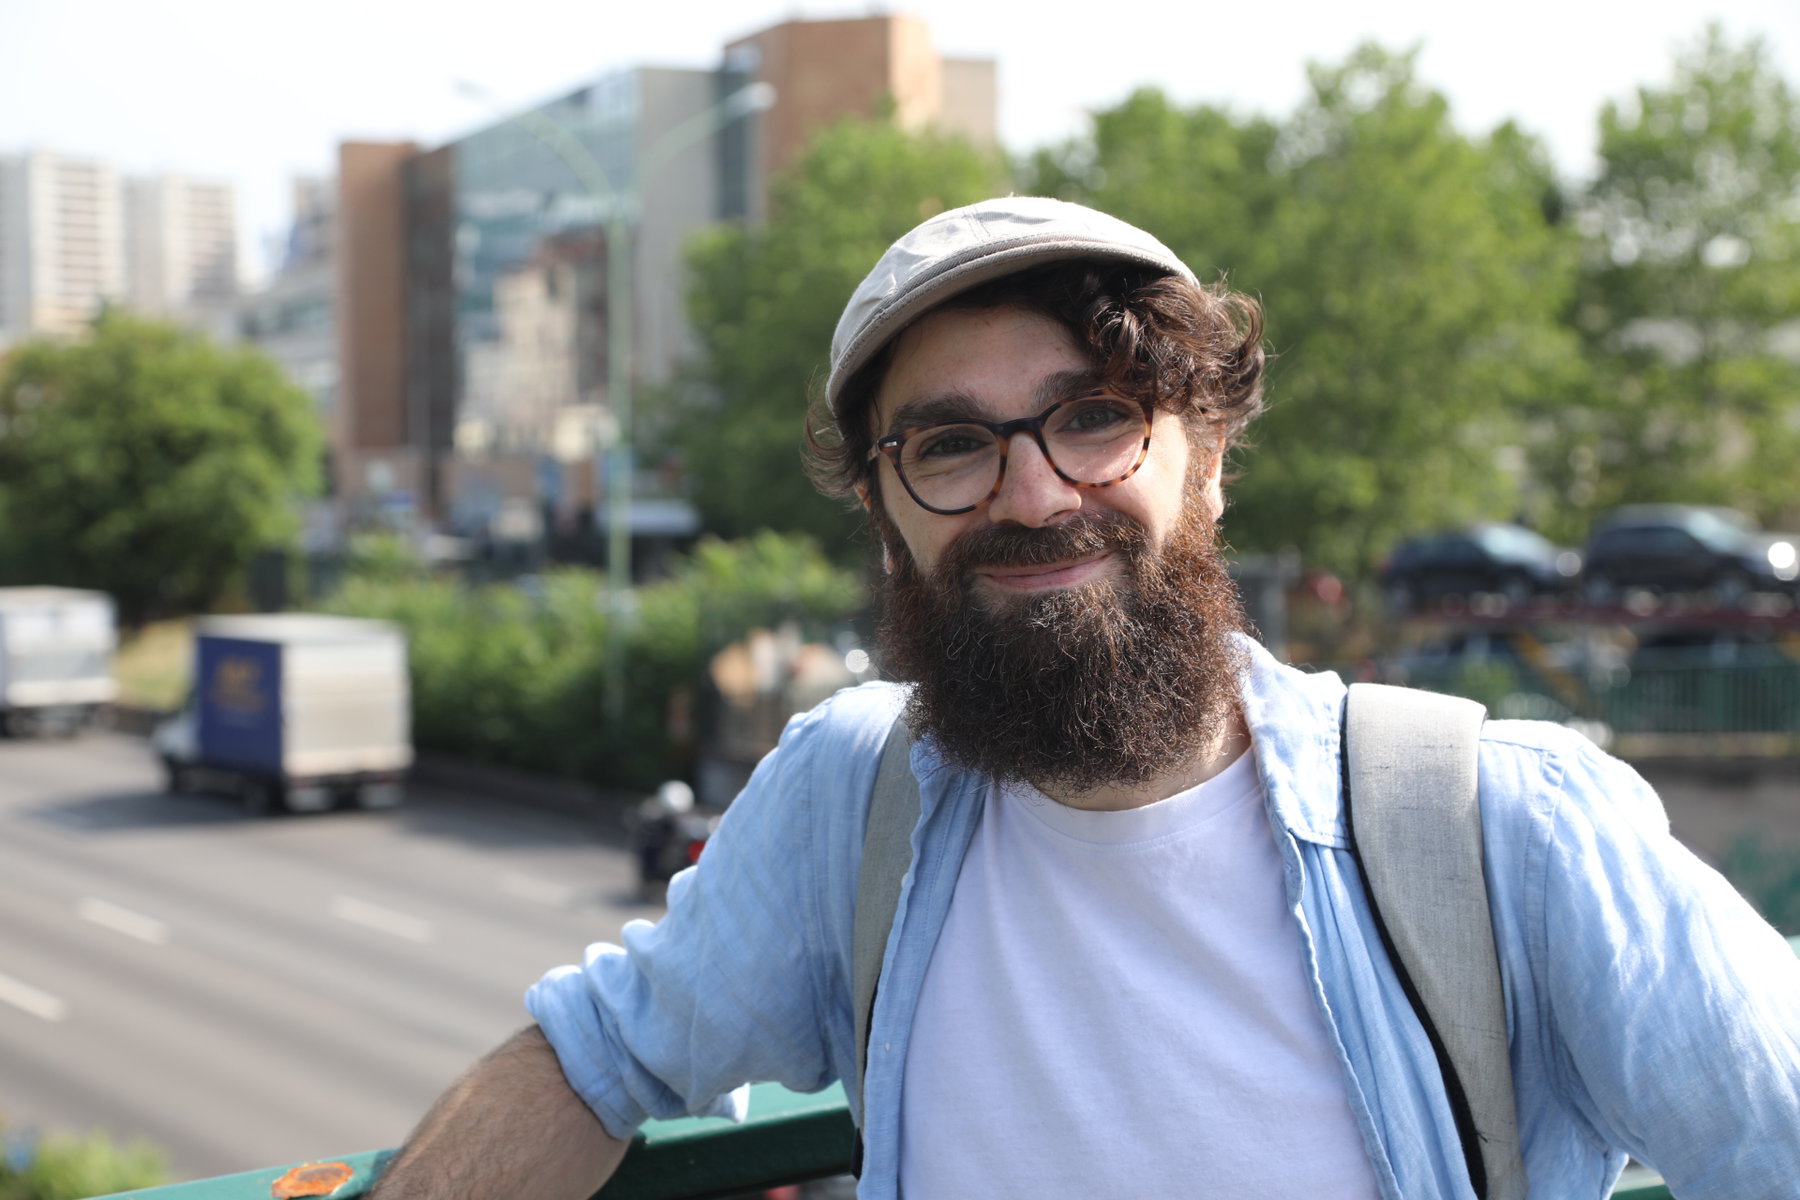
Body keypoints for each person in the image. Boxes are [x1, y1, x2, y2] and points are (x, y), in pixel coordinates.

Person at [372, 197, 1800, 1200]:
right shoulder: (848, 798)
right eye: (948, 444)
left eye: (1096, 414)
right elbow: (593, 1059)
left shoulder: (1498, 825)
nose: (1034, 491)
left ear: (1211, 459)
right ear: (888, 519)